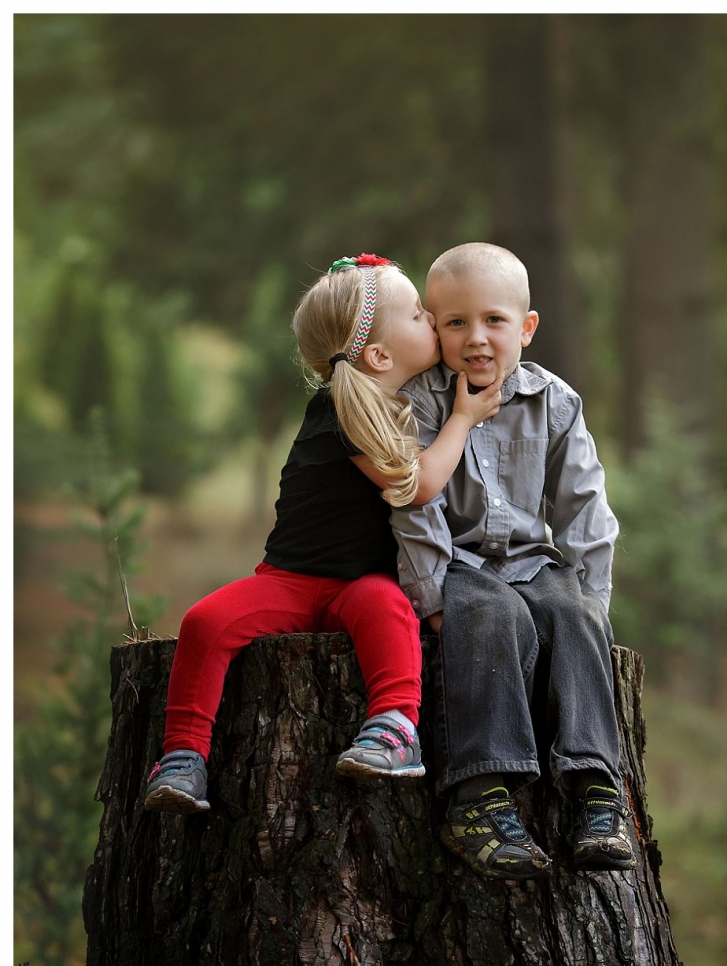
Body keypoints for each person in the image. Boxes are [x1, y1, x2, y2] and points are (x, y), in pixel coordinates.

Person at [144, 253, 503, 814]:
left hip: (361, 583)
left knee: (388, 611)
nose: (432, 320)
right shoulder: (345, 409)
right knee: (205, 622)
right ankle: (184, 757)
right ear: (380, 355)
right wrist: (464, 418)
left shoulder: (400, 401)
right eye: (417, 315)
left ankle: (394, 727)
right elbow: (418, 486)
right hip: (289, 579)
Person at [391, 242, 636, 879]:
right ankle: (479, 795)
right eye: (455, 323)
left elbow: (585, 509)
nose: (476, 338)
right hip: (460, 566)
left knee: (573, 615)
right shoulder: (420, 403)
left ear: (525, 327)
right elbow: (413, 511)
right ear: (434, 327)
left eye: (494, 320)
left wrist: (594, 600)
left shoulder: (556, 402)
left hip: (533, 560)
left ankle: (595, 788)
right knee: (493, 618)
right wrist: (433, 600)